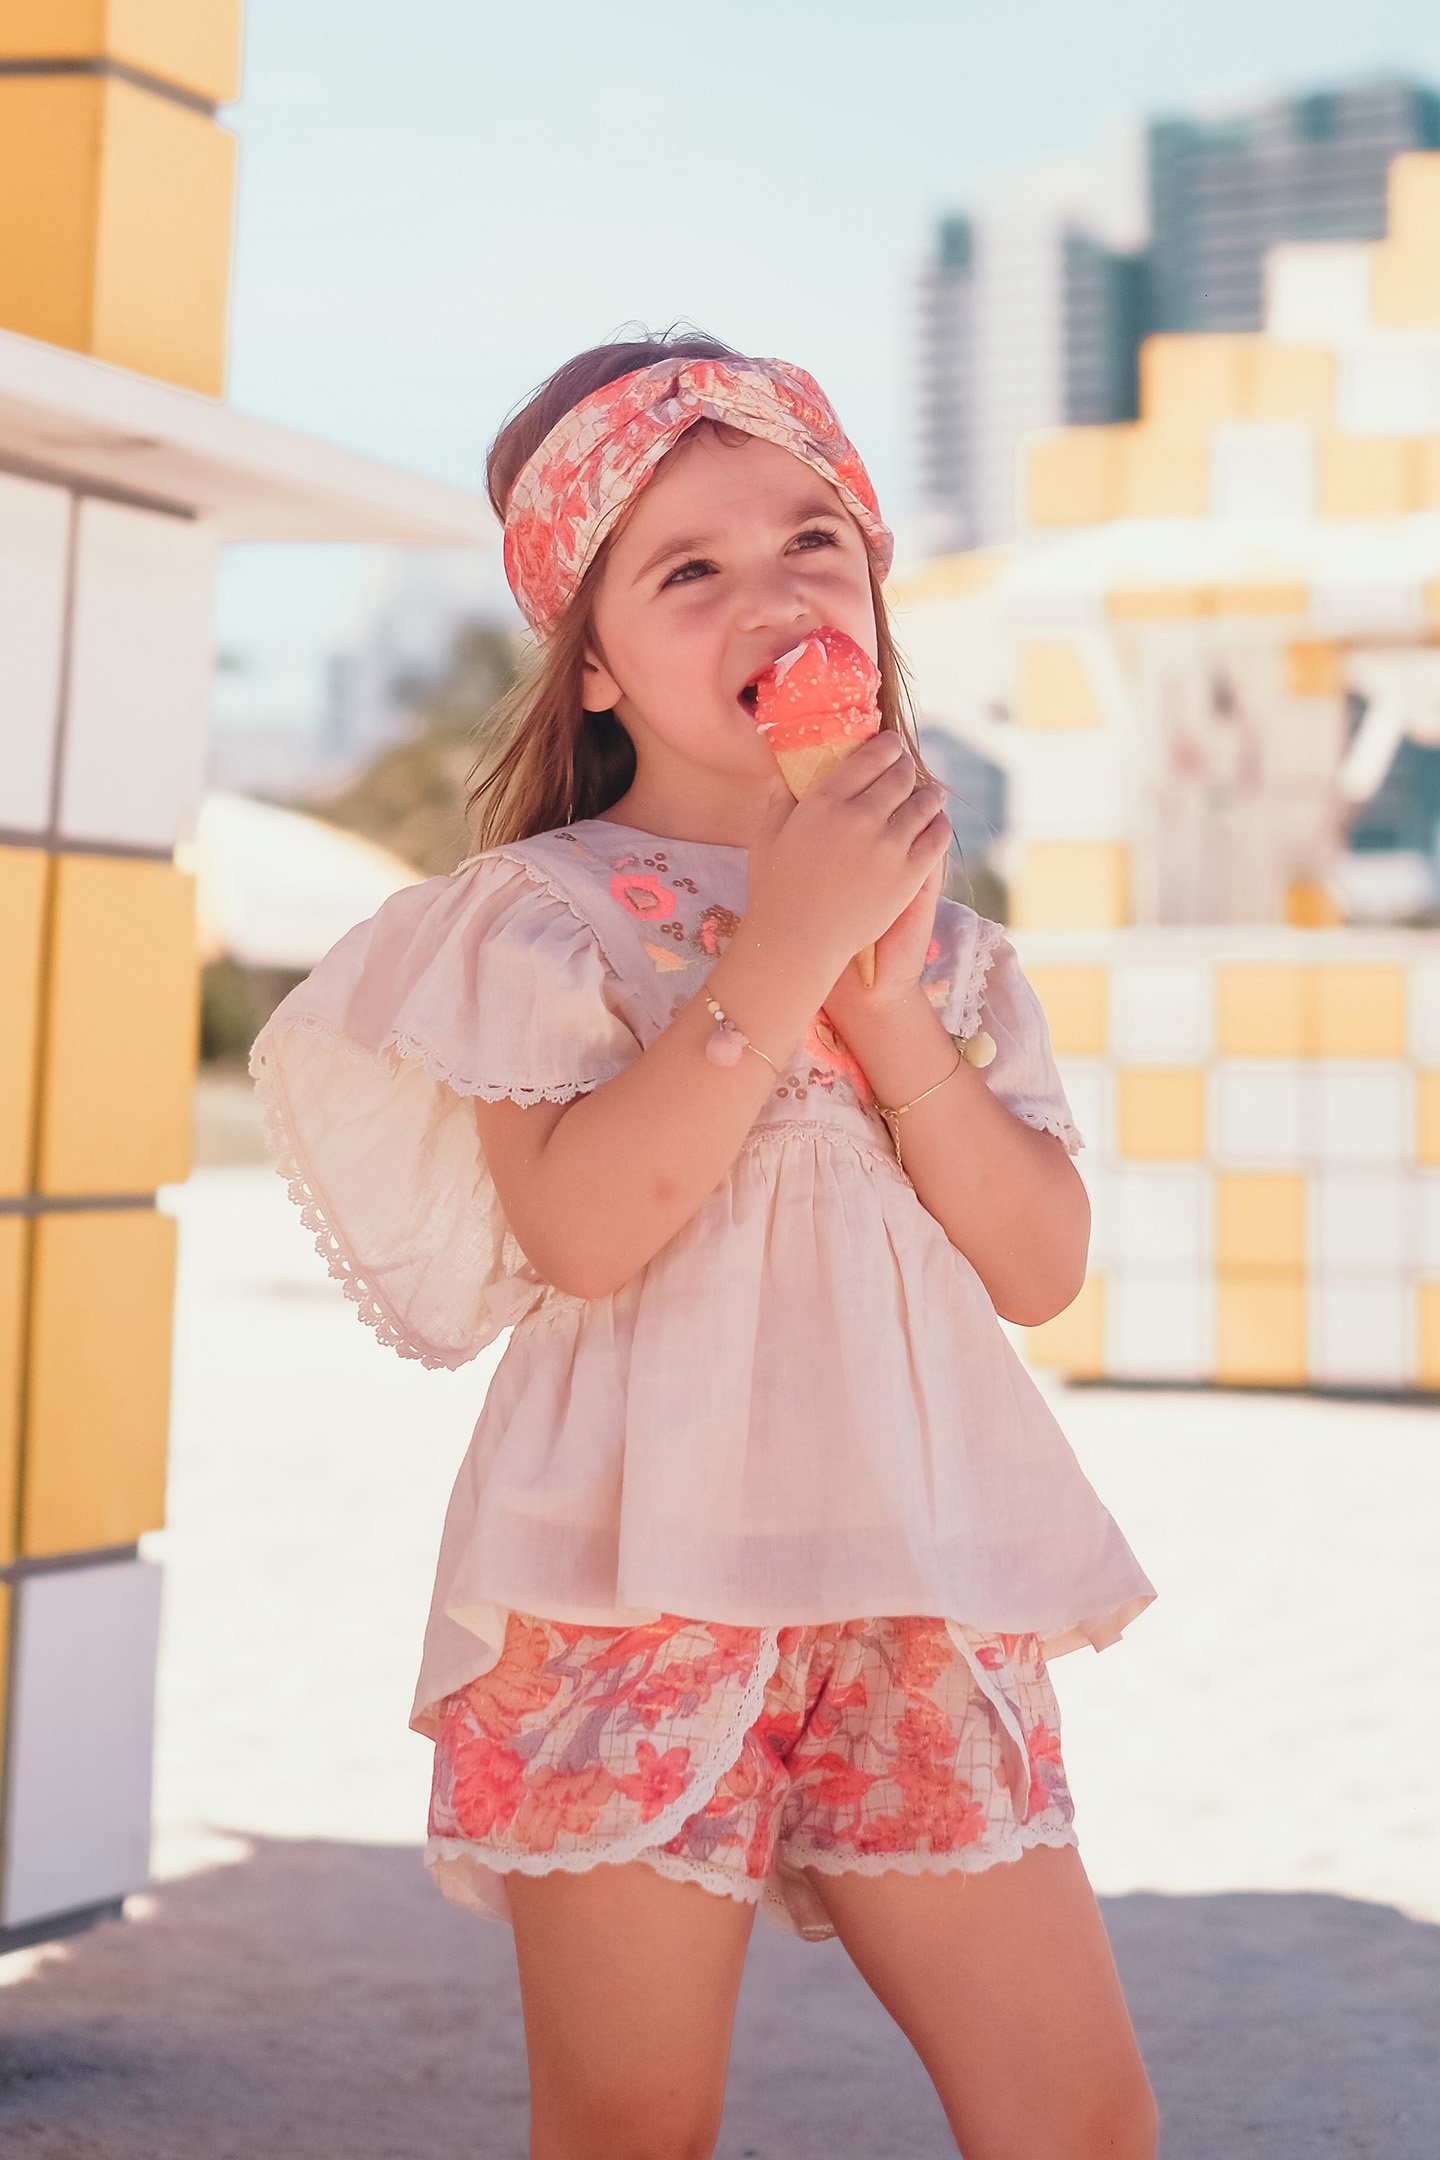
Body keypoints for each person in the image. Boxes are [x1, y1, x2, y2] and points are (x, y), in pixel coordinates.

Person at [251, 329, 1159, 2160]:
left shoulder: (957, 954)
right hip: (620, 1599)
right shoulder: (539, 921)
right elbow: (586, 1233)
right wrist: (780, 952)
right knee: (629, 2127)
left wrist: (890, 1006)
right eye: (690, 569)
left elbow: (1041, 1265)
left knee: (1078, 2121)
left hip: (922, 1593)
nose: (774, 592)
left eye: (814, 541)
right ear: (593, 661)